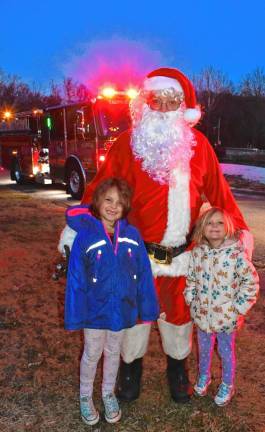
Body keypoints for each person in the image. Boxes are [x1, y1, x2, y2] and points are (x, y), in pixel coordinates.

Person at [59, 67, 253, 404]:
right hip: (134, 256)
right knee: (133, 315)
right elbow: (101, 188)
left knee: (179, 316)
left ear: (183, 107)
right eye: (156, 100)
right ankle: (130, 370)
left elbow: (220, 195)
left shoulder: (199, 147)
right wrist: (80, 228)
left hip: (181, 256)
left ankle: (177, 370)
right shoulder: (126, 144)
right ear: (145, 103)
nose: (162, 108)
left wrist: (241, 232)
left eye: (170, 101)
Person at [64, 177, 159, 426]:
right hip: (94, 313)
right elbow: (75, 279)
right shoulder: (85, 237)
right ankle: (85, 396)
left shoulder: (132, 235)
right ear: (98, 201)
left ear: (125, 206)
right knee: (92, 352)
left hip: (120, 311)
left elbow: (144, 273)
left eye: (120, 202)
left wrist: (148, 306)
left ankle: (107, 393)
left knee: (113, 352)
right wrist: (75, 315)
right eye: (108, 199)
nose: (113, 206)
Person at [184, 207, 259, 406]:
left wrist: (238, 309)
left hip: (226, 317)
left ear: (227, 227)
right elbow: (191, 277)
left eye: (219, 223)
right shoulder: (198, 252)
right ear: (202, 227)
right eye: (209, 223)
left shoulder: (236, 255)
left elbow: (251, 284)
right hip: (202, 315)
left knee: (226, 351)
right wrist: (190, 297)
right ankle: (204, 376)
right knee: (204, 349)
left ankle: (227, 383)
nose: (214, 227)